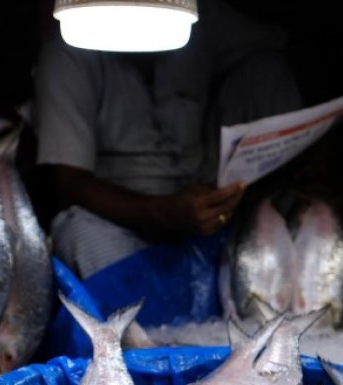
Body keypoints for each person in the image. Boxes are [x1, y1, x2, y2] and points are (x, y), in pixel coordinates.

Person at [33, 0, 302, 278]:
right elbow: (69, 181)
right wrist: (163, 212)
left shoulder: (202, 18)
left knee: (267, 68)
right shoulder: (67, 50)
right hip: (119, 215)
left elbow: (282, 43)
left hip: (206, 189)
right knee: (80, 235)